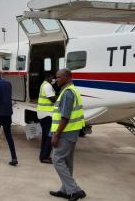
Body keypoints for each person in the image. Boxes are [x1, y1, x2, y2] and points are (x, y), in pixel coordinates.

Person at [49, 68, 86, 201]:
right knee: (67, 162)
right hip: (71, 132)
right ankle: (65, 190)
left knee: (57, 158)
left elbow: (65, 117)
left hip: (65, 132)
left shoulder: (68, 93)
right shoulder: (71, 90)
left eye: (58, 77)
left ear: (67, 77)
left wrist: (56, 135)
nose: (56, 80)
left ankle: (74, 190)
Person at [37, 73, 56, 164]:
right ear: (48, 77)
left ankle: (43, 155)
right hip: (47, 115)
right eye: (53, 78)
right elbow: (53, 99)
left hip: (43, 114)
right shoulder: (47, 86)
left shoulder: (44, 84)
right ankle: (44, 157)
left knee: (45, 136)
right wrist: (61, 97)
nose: (54, 79)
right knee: (48, 137)